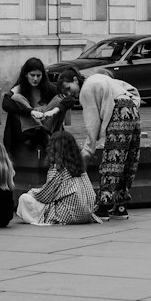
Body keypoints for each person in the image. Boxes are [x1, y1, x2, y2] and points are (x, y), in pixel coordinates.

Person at [56, 66, 141, 220]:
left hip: (120, 112)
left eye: (68, 88)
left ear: (75, 80)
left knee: (113, 160)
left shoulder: (86, 90)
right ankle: (120, 206)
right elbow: (131, 89)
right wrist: (133, 106)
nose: (70, 94)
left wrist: (88, 150)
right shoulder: (98, 78)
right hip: (132, 111)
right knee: (128, 160)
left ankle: (102, 206)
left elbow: (92, 122)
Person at [16, 129, 100, 226]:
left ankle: (39, 219)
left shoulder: (57, 169)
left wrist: (31, 192)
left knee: (24, 198)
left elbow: (46, 195)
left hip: (67, 215)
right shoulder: (80, 168)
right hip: (86, 214)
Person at [1, 55, 67, 161]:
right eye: (32, 75)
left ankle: (45, 134)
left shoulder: (50, 89)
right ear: (26, 74)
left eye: (38, 75)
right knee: (17, 99)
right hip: (26, 133)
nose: (35, 79)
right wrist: (30, 112)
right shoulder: (19, 89)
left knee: (59, 101)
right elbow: (6, 104)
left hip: (47, 126)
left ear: (43, 75)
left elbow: (66, 101)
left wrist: (54, 110)